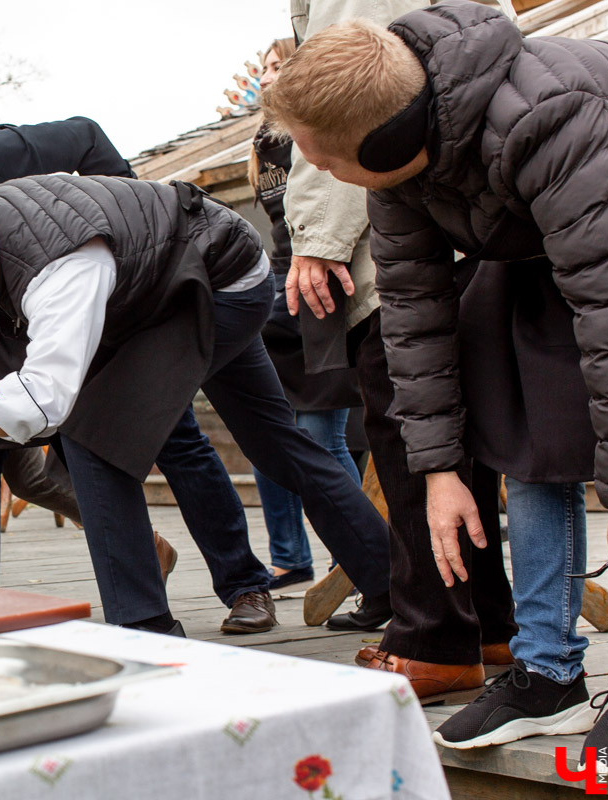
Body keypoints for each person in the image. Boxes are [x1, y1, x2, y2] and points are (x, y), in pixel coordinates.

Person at [0, 107, 389, 633]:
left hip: (211, 284)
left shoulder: (56, 264)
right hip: (188, 272)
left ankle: (143, 625)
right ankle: (394, 582)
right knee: (275, 443)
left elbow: (42, 401)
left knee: (92, 437)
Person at [261, 0, 608, 749]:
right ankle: (548, 673)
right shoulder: (399, 167)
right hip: (539, 248)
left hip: (597, 223)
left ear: (382, 142)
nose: (315, 171)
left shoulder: (552, 116)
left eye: (320, 160)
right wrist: (443, 470)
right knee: (525, 432)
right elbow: (414, 320)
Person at [248, 36, 363, 592]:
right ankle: (290, 558)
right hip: (277, 286)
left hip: (326, 278)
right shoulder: (264, 144)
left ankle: (358, 556)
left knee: (320, 436)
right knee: (268, 433)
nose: (266, 76)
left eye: (277, 66)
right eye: (263, 69)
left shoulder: (320, 131)